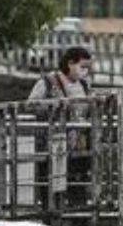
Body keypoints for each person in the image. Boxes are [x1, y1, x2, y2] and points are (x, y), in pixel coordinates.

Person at [28, 47, 94, 216]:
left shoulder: (84, 85)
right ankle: (52, 215)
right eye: (82, 66)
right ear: (70, 63)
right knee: (51, 182)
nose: (85, 71)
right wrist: (53, 106)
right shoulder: (47, 82)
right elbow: (30, 105)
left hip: (78, 144)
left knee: (77, 181)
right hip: (52, 143)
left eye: (87, 68)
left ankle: (78, 217)